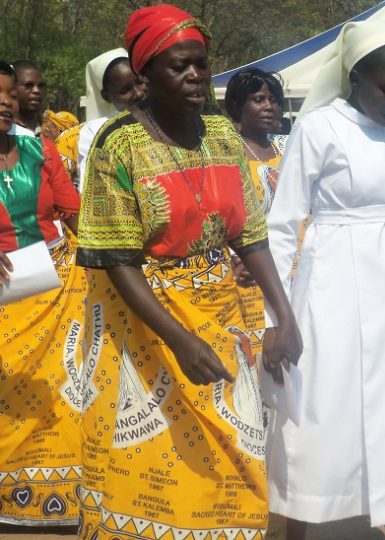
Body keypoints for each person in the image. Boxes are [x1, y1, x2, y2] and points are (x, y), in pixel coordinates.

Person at [75, 5, 301, 540]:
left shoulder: (223, 137)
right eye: (180, 66)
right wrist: (177, 340)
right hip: (146, 325)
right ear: (146, 74)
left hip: (221, 314)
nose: (197, 75)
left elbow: (250, 234)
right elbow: (118, 261)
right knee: (156, 465)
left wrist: (284, 313)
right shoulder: (118, 146)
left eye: (202, 63)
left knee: (233, 457)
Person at [265, 19, 385, 540]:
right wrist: (280, 317)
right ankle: (303, 519)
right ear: (357, 78)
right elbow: (282, 224)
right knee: (324, 402)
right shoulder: (320, 128)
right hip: (331, 284)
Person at [0, 60, 85, 526]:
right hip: (4, 304)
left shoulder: (43, 150)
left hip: (57, 289)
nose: (6, 101)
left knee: (62, 396)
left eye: (11, 93)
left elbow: (73, 213)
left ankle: (62, 501)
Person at [225, 68, 287, 354]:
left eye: (273, 99)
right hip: (246, 272)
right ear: (238, 106)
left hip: (291, 268)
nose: (269, 106)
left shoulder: (288, 150)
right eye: (259, 99)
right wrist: (236, 259)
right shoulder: (225, 153)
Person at [76, 48, 147, 191]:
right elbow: (98, 190)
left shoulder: (170, 121)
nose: (138, 93)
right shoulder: (98, 133)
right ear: (106, 96)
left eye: (139, 82)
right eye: (125, 90)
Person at [12, 60, 46, 135]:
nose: (37, 90)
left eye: (40, 86)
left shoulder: (51, 130)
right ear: (12, 88)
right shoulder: (5, 130)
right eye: (28, 85)